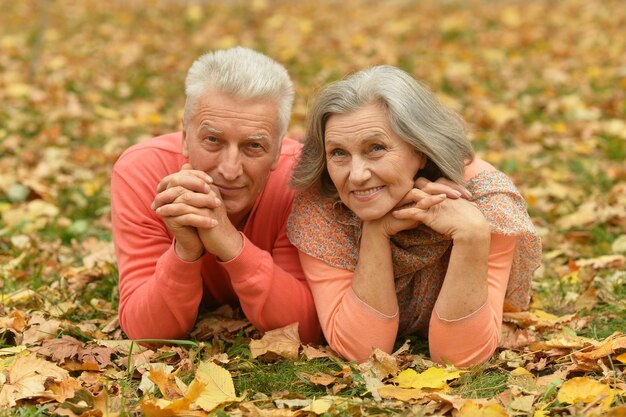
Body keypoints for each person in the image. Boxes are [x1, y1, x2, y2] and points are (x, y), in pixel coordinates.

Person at [287, 65, 541, 367]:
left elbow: (460, 358)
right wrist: (376, 233)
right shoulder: (322, 203)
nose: (356, 176)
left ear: (420, 149)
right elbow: (361, 351)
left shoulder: (488, 200)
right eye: (339, 153)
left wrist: (472, 235)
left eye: (376, 148)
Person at [111, 47, 321, 343]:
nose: (230, 169)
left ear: (277, 151)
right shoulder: (142, 171)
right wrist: (184, 251)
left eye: (253, 146)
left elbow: (306, 327)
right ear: (185, 139)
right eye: (213, 140)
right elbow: (146, 333)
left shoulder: (300, 179)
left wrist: (233, 246)